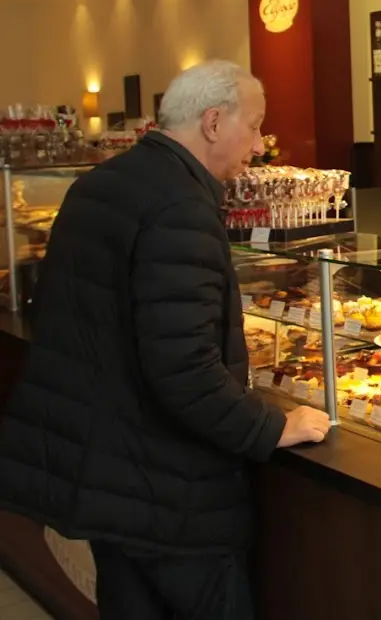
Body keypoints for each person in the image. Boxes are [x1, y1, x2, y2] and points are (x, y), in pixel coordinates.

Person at [0, 60, 330, 620]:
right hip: (166, 490)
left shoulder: (101, 182)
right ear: (211, 122)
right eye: (253, 126)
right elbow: (184, 371)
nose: (259, 143)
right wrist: (274, 426)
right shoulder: (180, 207)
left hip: (104, 474)